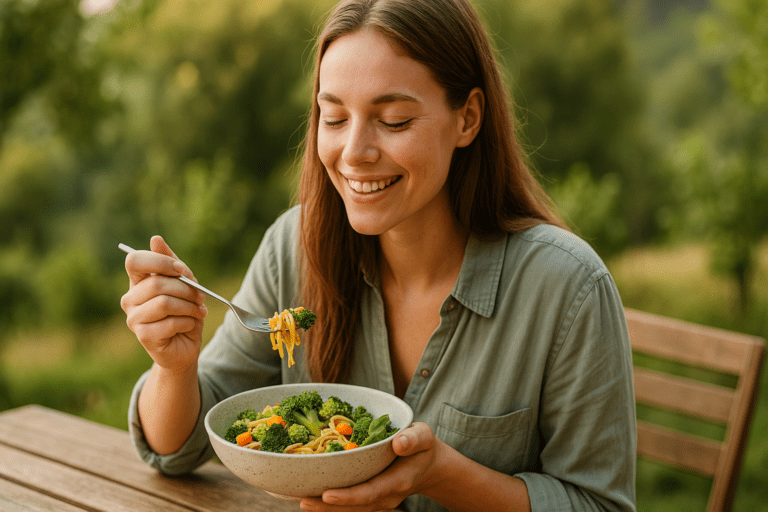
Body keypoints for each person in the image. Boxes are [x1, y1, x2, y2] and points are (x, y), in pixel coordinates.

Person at [120, 0, 637, 511]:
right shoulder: (293, 246)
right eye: (335, 117)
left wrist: (441, 476)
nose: (354, 152)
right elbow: (178, 447)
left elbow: (599, 505)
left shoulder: (567, 287)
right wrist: (173, 367)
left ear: (468, 118)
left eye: (393, 121)